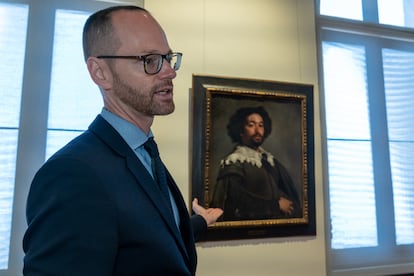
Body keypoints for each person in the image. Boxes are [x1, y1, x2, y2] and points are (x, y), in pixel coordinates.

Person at [23, 5, 222, 276]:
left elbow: (143, 236)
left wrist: (196, 224)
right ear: (100, 72)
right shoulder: (73, 173)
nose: (169, 72)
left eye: (167, 57)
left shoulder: (143, 153)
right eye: (150, 60)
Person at [209, 106, 301, 221]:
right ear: (241, 131)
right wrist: (276, 206)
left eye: (261, 125)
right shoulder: (234, 162)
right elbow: (235, 202)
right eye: (251, 125)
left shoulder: (269, 160)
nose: (257, 130)